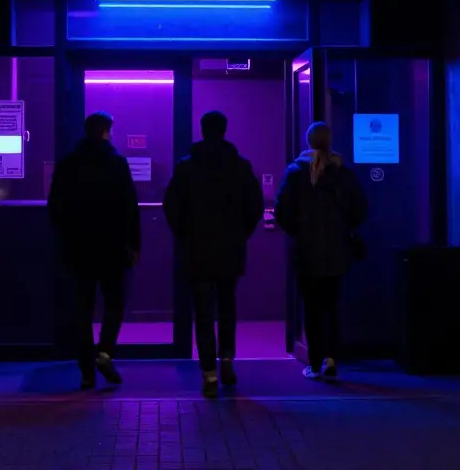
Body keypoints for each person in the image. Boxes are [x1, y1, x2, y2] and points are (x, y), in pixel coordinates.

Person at [163, 111, 265, 398]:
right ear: (225, 130)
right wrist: (240, 234)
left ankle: (208, 372)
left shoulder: (187, 167)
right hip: (230, 249)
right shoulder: (240, 166)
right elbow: (255, 206)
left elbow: (171, 206)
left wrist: (184, 235)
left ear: (202, 130)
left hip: (196, 250)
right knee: (227, 307)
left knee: (204, 311)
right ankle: (227, 360)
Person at [48, 111, 141, 390]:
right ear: (105, 131)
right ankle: (105, 352)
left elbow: (55, 207)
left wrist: (65, 238)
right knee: (114, 303)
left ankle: (86, 370)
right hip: (112, 247)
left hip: (78, 249)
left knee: (82, 310)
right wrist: (134, 244)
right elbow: (129, 207)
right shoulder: (116, 163)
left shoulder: (67, 164)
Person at [273, 121, 368, 381]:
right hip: (338, 251)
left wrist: (300, 233)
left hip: (306, 251)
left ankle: (314, 363)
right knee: (332, 306)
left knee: (312, 307)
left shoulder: (295, 173)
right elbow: (360, 209)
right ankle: (331, 358)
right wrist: (344, 229)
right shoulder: (343, 173)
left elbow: (282, 212)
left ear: (308, 141)